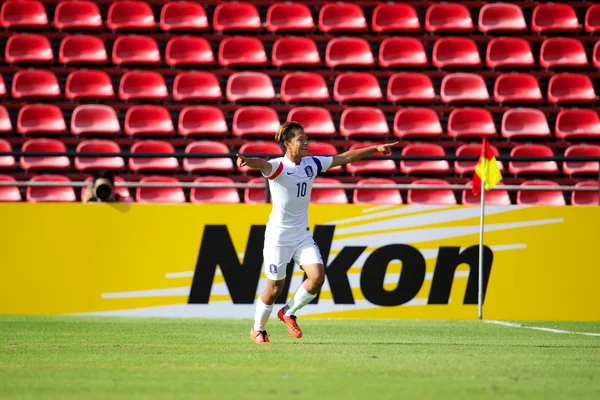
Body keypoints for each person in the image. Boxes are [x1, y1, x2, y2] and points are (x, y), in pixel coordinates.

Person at [237, 121, 397, 344]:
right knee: (274, 288)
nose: (306, 143)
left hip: (302, 235)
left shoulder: (312, 163)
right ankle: (258, 329)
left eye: (306, 139)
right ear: (287, 144)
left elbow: (345, 158)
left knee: (317, 277)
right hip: (278, 238)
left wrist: (374, 149)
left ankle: (288, 312)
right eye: (300, 139)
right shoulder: (279, 166)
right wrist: (247, 161)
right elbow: (262, 164)